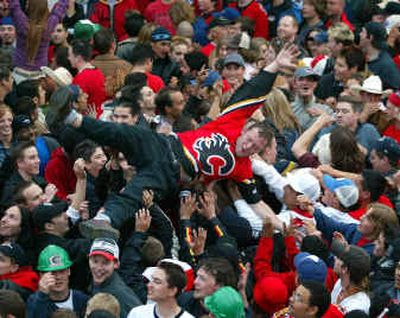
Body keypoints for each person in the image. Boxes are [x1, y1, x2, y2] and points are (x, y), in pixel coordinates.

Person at [47, 44, 299, 238]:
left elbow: (258, 205)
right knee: (122, 132)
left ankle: (104, 220)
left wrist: (283, 225)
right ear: (246, 130)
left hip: (171, 173)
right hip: (163, 144)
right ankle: (69, 116)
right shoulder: (231, 123)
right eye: (250, 139)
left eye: (255, 148)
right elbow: (253, 92)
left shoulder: (241, 169)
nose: (248, 146)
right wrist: (276, 64)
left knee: (138, 192)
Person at [9, 0, 68, 84]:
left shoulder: (21, 23)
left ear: (30, 7)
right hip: (39, 77)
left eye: (27, 3)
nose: (26, 5)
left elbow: (14, 6)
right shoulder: (49, 25)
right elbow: (59, 9)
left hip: (18, 75)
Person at [27, 245, 88, 318]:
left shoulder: (81, 299)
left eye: (62, 271)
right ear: (41, 275)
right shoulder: (35, 301)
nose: (58, 277)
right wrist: (42, 296)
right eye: (53, 273)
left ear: (69, 271)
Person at [88, 238, 142, 317]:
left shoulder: (119, 295)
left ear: (116, 264)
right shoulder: (98, 283)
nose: (99, 268)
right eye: (95, 261)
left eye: (105, 263)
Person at [128, 261, 194, 317]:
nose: (149, 285)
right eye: (152, 280)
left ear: (172, 290)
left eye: (157, 282)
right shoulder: (137, 313)